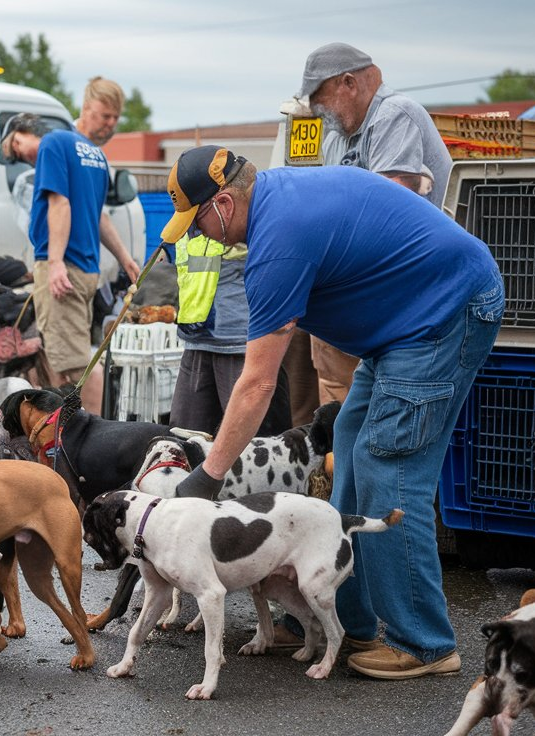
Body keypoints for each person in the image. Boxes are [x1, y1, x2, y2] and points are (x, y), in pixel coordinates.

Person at [168, 145, 503, 680]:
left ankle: (425, 644)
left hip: (444, 313)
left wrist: (207, 478)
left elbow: (256, 383)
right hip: (405, 328)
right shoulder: (275, 204)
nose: (198, 234)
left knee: (385, 467)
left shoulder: (277, 244)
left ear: (224, 203)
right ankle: (338, 614)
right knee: (348, 436)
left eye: (197, 220)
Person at [293, 42, 456, 408]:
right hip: (361, 289)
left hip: (409, 291)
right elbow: (327, 210)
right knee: (336, 405)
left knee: (384, 411)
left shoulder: (396, 114)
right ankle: (337, 460)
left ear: (348, 83)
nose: (316, 111)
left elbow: (388, 209)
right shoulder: (337, 139)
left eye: (319, 98)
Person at [0, 113, 139, 412]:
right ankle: (69, 431)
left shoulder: (53, 144)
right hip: (85, 269)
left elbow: (58, 204)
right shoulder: (94, 155)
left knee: (76, 365)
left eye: (16, 144)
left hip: (66, 268)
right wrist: (125, 257)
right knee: (63, 357)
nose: (22, 155)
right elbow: (98, 215)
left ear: (25, 129)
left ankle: (95, 441)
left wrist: (55, 262)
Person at [163, 234, 290, 437]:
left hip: (241, 340)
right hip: (198, 336)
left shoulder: (247, 208)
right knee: (184, 442)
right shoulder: (188, 213)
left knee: (255, 447)